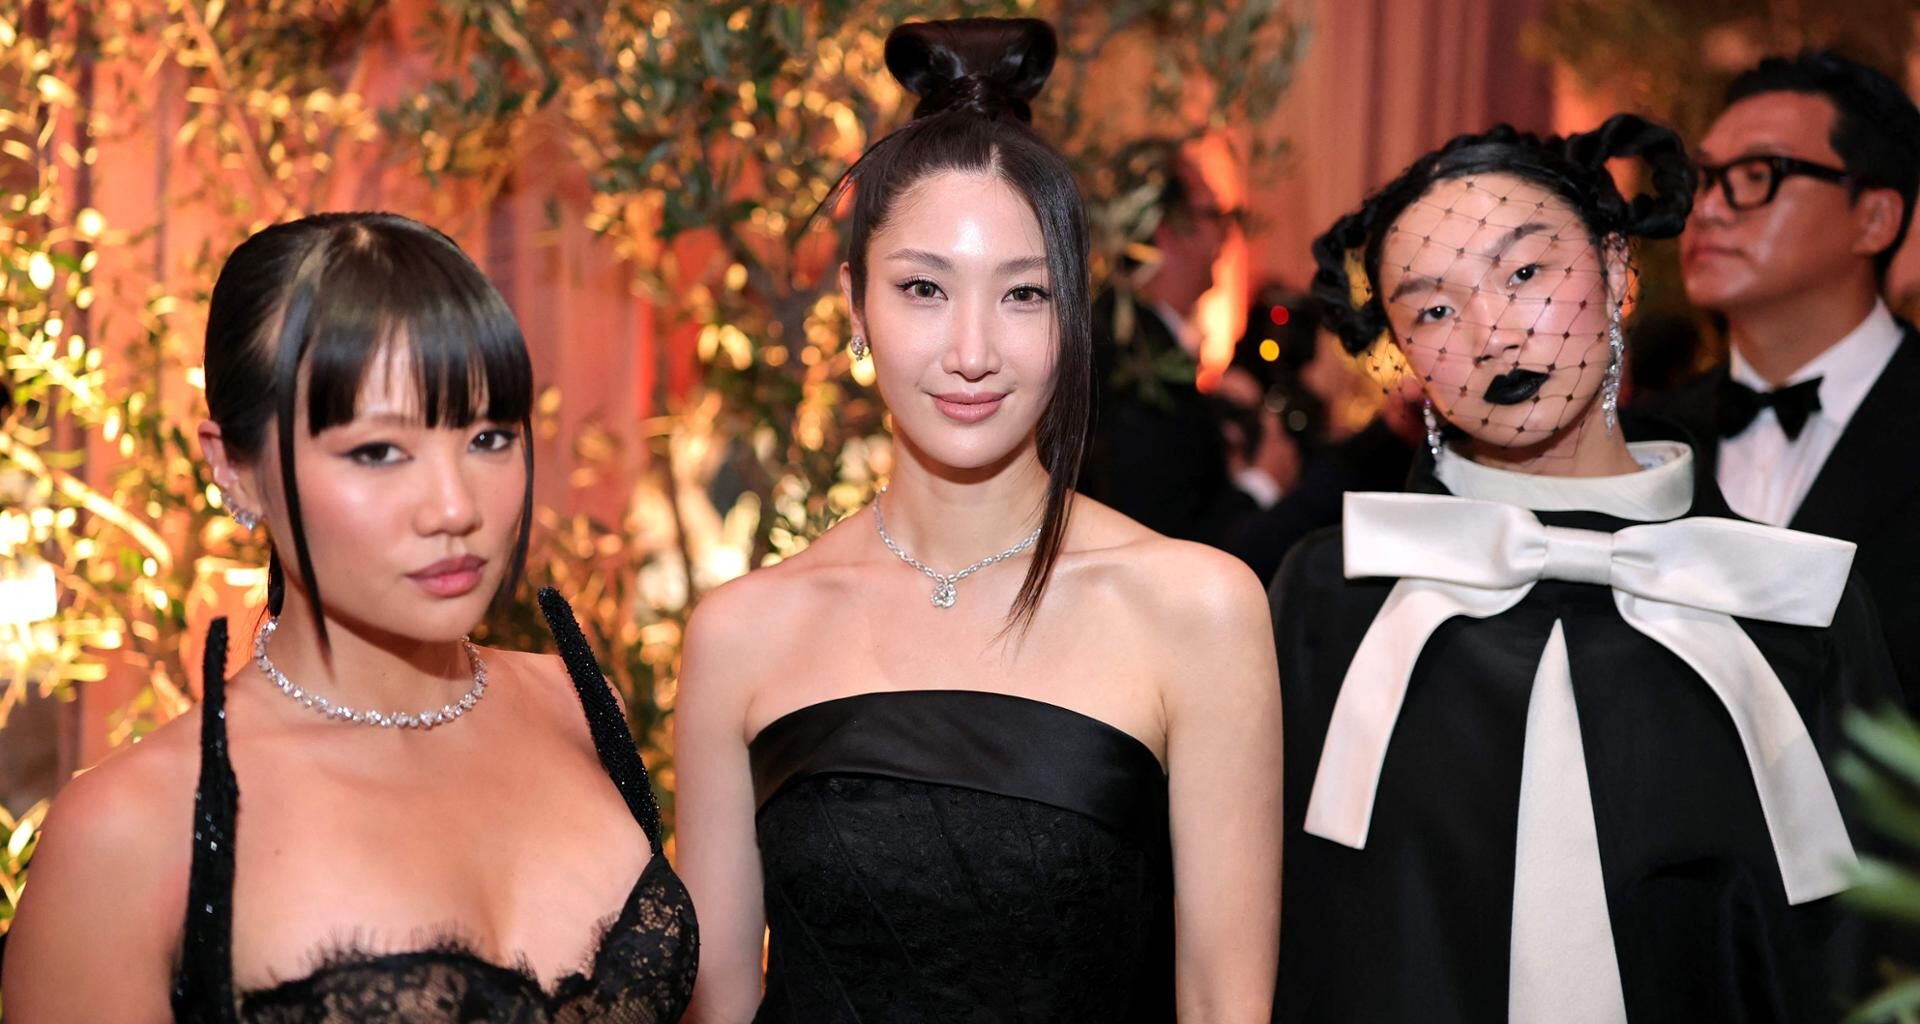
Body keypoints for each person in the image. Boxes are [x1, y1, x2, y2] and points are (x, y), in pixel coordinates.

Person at [674, 18, 1282, 1024]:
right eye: (921, 288)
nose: (971, 350)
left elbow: (1225, 1001)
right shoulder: (742, 633)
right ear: (855, 310)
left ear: (1073, 318)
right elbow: (720, 1006)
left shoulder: (1197, 607)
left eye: (1024, 294)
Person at [1274, 115, 1898, 1023]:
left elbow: (1864, 952)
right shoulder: (1334, 595)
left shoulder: (1788, 599)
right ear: (1402, 353)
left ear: (1615, 272)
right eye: (1435, 307)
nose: (1491, 334)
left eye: (1525, 273)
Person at [0, 213, 697, 1021]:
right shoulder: (133, 827)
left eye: (489, 437)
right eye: (377, 452)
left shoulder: (578, 705)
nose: (453, 505)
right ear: (235, 468)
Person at [1649, 49, 1920, 701]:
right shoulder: (1647, 436)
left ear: (1874, 218)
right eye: (1702, 178)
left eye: (1755, 175)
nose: (1708, 210)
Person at [1082, 150, 1295, 547]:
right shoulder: (1136, 364)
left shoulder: (1126, 336)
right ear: (1167, 230)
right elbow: (1161, 538)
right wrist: (1261, 484)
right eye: (1214, 216)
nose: (1225, 237)